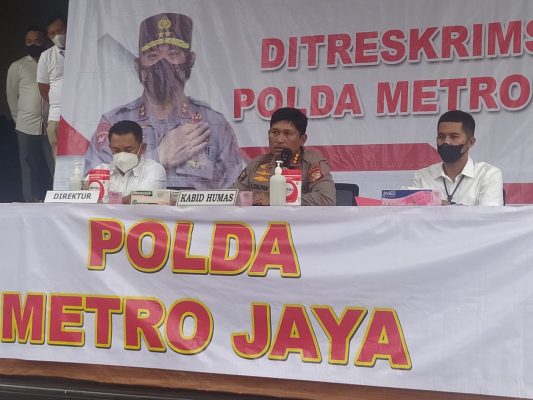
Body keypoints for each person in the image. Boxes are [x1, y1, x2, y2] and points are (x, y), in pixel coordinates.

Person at [84, 13, 241, 189]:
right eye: (152, 55)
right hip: (134, 209)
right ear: (138, 65)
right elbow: (95, 186)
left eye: (173, 54)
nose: (162, 63)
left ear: (190, 60)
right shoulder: (114, 122)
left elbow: (234, 190)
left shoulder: (214, 124)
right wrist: (156, 158)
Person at [233, 107, 336, 206]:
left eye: (288, 134)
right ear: (268, 134)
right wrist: (247, 199)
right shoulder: (256, 164)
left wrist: (277, 199)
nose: (279, 140)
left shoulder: (312, 163)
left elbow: (326, 199)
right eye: (275, 132)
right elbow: (232, 196)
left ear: (302, 139)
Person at [412, 110, 503, 206]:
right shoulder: (422, 176)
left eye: (454, 137)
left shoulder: (488, 175)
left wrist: (446, 206)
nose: (446, 142)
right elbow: (412, 214)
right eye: (441, 136)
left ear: (471, 142)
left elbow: (489, 214)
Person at [6, 25, 53, 202]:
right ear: (25, 43)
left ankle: (60, 201)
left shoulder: (52, 63)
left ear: (45, 42)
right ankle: (31, 203)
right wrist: (19, 120)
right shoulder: (17, 66)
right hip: (26, 127)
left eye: (38, 41)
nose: (33, 44)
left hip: (51, 126)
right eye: (29, 41)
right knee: (29, 168)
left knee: (56, 166)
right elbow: (11, 96)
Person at [87, 120, 166, 204]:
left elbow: (141, 199)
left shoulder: (154, 170)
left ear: (143, 148)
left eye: (128, 150)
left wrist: (104, 199)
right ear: (110, 148)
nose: (122, 155)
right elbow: (85, 195)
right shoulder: (100, 170)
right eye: (116, 150)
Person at [37, 13, 67, 160]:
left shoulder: (83, 52)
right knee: (60, 161)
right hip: (57, 116)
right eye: (52, 34)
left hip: (82, 115)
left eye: (60, 31)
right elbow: (43, 89)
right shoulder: (46, 56)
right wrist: (59, 101)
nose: (57, 36)